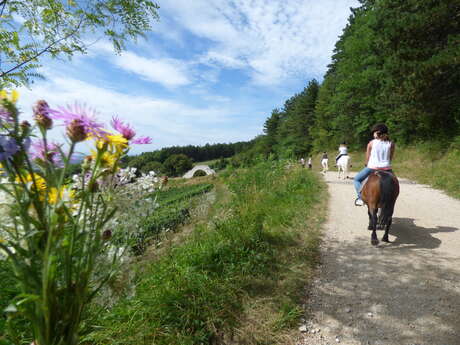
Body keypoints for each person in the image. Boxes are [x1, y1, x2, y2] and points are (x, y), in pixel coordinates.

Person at [353, 123, 395, 206]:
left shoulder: (371, 143)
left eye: (375, 132)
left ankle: (361, 198)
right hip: (387, 168)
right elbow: (390, 158)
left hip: (372, 167)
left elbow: (367, 158)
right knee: (394, 184)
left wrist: (366, 164)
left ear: (377, 133)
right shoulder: (391, 144)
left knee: (357, 179)